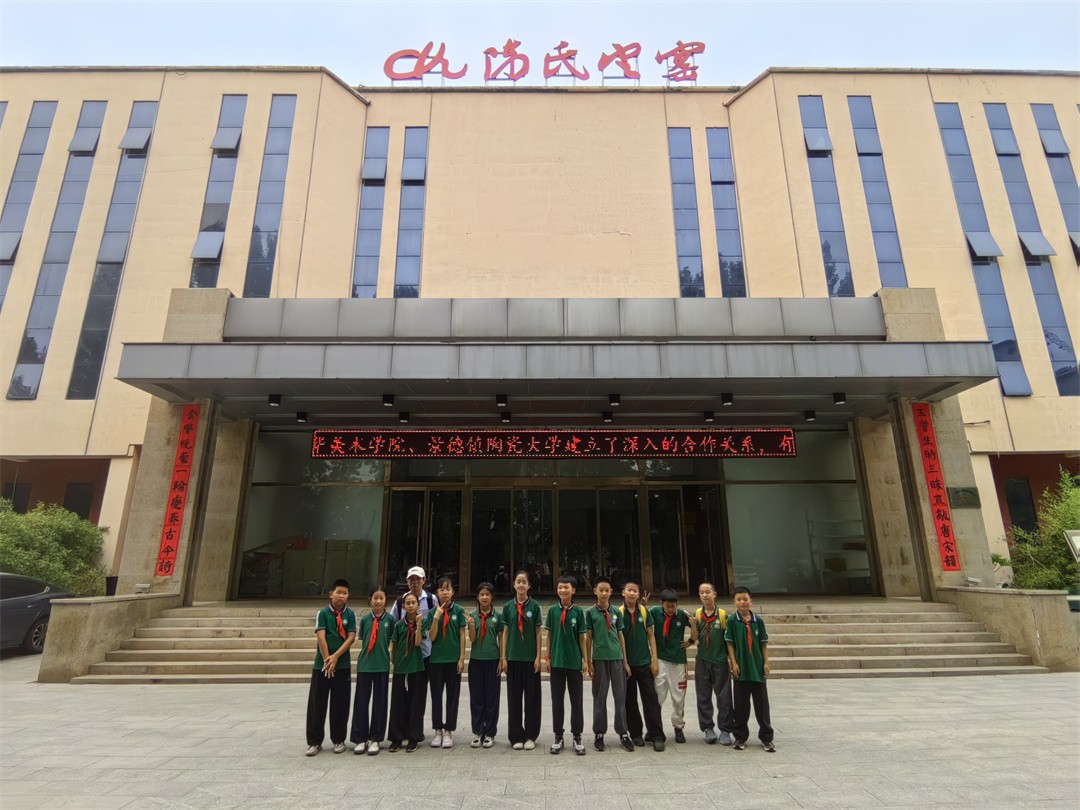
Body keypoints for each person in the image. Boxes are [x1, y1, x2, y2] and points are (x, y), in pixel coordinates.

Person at [305, 579, 357, 756]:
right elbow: (321, 636)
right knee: (317, 704)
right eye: (338, 592)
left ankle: (338, 739)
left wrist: (336, 657)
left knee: (340, 704)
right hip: (322, 666)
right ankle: (314, 741)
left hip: (342, 666)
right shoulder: (323, 613)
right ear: (330, 594)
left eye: (345, 593)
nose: (341, 596)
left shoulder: (350, 614)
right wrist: (328, 659)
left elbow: (351, 637)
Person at [585, 576, 634, 753]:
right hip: (599, 659)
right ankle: (599, 733)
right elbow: (588, 638)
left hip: (617, 658)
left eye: (607, 590)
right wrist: (588, 661)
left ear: (611, 592)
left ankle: (623, 733)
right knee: (600, 697)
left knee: (620, 697)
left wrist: (625, 661)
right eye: (601, 590)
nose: (604, 593)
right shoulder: (590, 613)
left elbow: (621, 636)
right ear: (595, 592)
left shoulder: (616, 613)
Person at [725, 586, 775, 752]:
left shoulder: (758, 621)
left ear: (751, 601)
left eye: (745, 599)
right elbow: (730, 644)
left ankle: (766, 738)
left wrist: (766, 663)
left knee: (762, 705)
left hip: (757, 668)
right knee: (741, 705)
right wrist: (733, 663)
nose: (742, 602)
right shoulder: (732, 621)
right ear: (734, 602)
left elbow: (763, 644)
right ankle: (740, 737)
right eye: (739, 599)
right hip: (741, 669)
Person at [544, 575, 588, 756]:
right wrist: (547, 657)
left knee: (576, 701)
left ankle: (577, 735)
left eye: (566, 587)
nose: (562, 590)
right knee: (557, 701)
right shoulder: (553, 611)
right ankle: (558, 735)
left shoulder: (578, 612)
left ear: (573, 590)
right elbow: (549, 636)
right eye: (560, 587)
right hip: (557, 662)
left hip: (574, 662)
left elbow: (582, 638)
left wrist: (585, 660)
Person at [499, 569, 542, 750]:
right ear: (514, 584)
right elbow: (505, 632)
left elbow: (538, 632)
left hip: (530, 659)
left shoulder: (535, 606)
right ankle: (516, 736)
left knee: (532, 699)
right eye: (518, 581)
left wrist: (538, 656)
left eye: (524, 582)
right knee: (514, 698)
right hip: (513, 658)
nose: (521, 585)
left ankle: (531, 735)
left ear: (529, 585)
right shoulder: (508, 607)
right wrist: (503, 657)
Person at [619, 579, 665, 751]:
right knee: (630, 701)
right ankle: (636, 733)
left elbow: (651, 636)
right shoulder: (619, 613)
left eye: (635, 591)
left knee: (651, 700)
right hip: (627, 666)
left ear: (639, 594)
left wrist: (654, 660)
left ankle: (656, 734)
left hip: (645, 663)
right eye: (629, 590)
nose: (632, 593)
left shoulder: (645, 612)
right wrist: (624, 663)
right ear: (623, 593)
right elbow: (619, 639)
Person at [350, 586, 395, 755]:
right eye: (375, 598)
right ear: (370, 600)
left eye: (381, 598)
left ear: (386, 601)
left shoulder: (390, 620)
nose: (378, 601)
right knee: (361, 702)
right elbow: (363, 640)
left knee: (380, 702)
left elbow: (392, 641)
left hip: (382, 665)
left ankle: (376, 738)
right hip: (365, 665)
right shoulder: (365, 620)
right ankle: (360, 738)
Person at [649, 588, 697, 744]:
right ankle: (654, 728)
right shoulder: (654, 612)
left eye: (673, 606)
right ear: (661, 603)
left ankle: (678, 727)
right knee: (658, 695)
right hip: (661, 659)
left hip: (678, 661)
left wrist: (690, 641)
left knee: (678, 696)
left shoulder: (683, 615)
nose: (670, 609)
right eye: (667, 606)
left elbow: (695, 635)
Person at [425, 576, 467, 748]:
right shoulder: (431, 613)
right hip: (436, 660)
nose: (445, 592)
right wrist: (436, 617)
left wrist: (462, 658)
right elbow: (432, 636)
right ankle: (437, 730)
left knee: (452, 696)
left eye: (448, 589)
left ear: (453, 592)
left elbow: (462, 635)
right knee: (436, 696)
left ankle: (449, 730)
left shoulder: (458, 611)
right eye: (442, 589)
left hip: (453, 660)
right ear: (437, 592)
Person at [695, 581, 735, 746]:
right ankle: (707, 728)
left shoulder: (724, 616)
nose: (705, 595)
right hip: (702, 660)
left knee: (724, 697)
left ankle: (725, 729)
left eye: (708, 592)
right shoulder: (698, 614)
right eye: (702, 592)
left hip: (720, 661)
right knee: (703, 696)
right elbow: (695, 637)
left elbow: (730, 641)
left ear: (714, 594)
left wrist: (732, 661)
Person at [387, 593, 426, 752]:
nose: (410, 605)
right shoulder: (398, 625)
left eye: (413, 603)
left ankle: (413, 737)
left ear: (418, 605)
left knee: (415, 702)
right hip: (401, 667)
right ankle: (396, 737)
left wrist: (418, 626)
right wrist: (395, 661)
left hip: (416, 666)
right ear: (403, 606)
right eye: (407, 603)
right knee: (398, 702)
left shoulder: (421, 622)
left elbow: (417, 642)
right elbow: (394, 645)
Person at [466, 582, 502, 749]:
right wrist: (471, 626)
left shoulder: (498, 615)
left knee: (492, 698)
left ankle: (490, 733)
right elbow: (472, 639)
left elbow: (501, 638)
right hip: (476, 661)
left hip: (493, 660)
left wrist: (502, 658)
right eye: (482, 594)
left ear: (492, 597)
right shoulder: (472, 615)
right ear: (477, 597)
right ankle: (478, 731)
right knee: (477, 698)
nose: (485, 597)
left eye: (487, 594)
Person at [391, 566, 437, 660]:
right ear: (407, 581)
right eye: (411, 579)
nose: (415, 582)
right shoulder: (400, 601)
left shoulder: (431, 599)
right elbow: (393, 621)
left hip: (425, 649)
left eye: (418, 579)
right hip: (405, 650)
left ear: (424, 580)